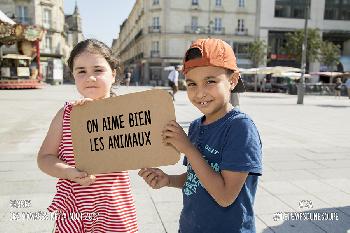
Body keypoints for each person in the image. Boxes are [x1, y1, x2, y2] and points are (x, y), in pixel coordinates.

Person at [139, 38, 262, 233]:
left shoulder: (240, 128)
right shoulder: (197, 125)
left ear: (232, 81)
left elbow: (224, 196)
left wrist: (187, 147)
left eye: (210, 81)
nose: (200, 93)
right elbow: (195, 176)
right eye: (192, 84)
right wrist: (168, 180)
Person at [37, 39, 138, 233]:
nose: (90, 78)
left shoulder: (126, 114)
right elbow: (44, 158)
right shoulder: (66, 114)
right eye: (81, 71)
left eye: (98, 70)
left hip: (114, 207)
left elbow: (145, 149)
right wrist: (67, 171)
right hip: (74, 207)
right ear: (73, 75)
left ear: (113, 73)